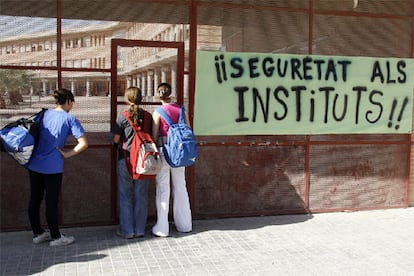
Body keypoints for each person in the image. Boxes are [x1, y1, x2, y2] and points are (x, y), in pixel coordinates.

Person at [27, 88, 88, 247]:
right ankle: (56, 237)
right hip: (53, 167)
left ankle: (38, 233)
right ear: (68, 101)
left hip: (34, 164)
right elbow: (83, 143)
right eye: (72, 102)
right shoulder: (70, 119)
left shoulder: (44, 114)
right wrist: (67, 154)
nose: (72, 105)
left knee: (35, 199)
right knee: (51, 202)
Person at [151, 82, 192, 237]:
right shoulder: (181, 109)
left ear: (158, 95)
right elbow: (188, 129)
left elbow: (155, 135)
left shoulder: (158, 112)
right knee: (181, 186)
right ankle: (185, 224)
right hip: (180, 153)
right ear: (171, 93)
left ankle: (162, 228)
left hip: (165, 151)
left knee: (163, 188)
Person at [112, 87, 152, 239]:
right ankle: (140, 229)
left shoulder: (123, 117)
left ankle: (127, 230)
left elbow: (116, 139)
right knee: (141, 195)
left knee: (125, 195)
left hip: (125, 159)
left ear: (127, 99)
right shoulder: (147, 116)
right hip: (144, 161)